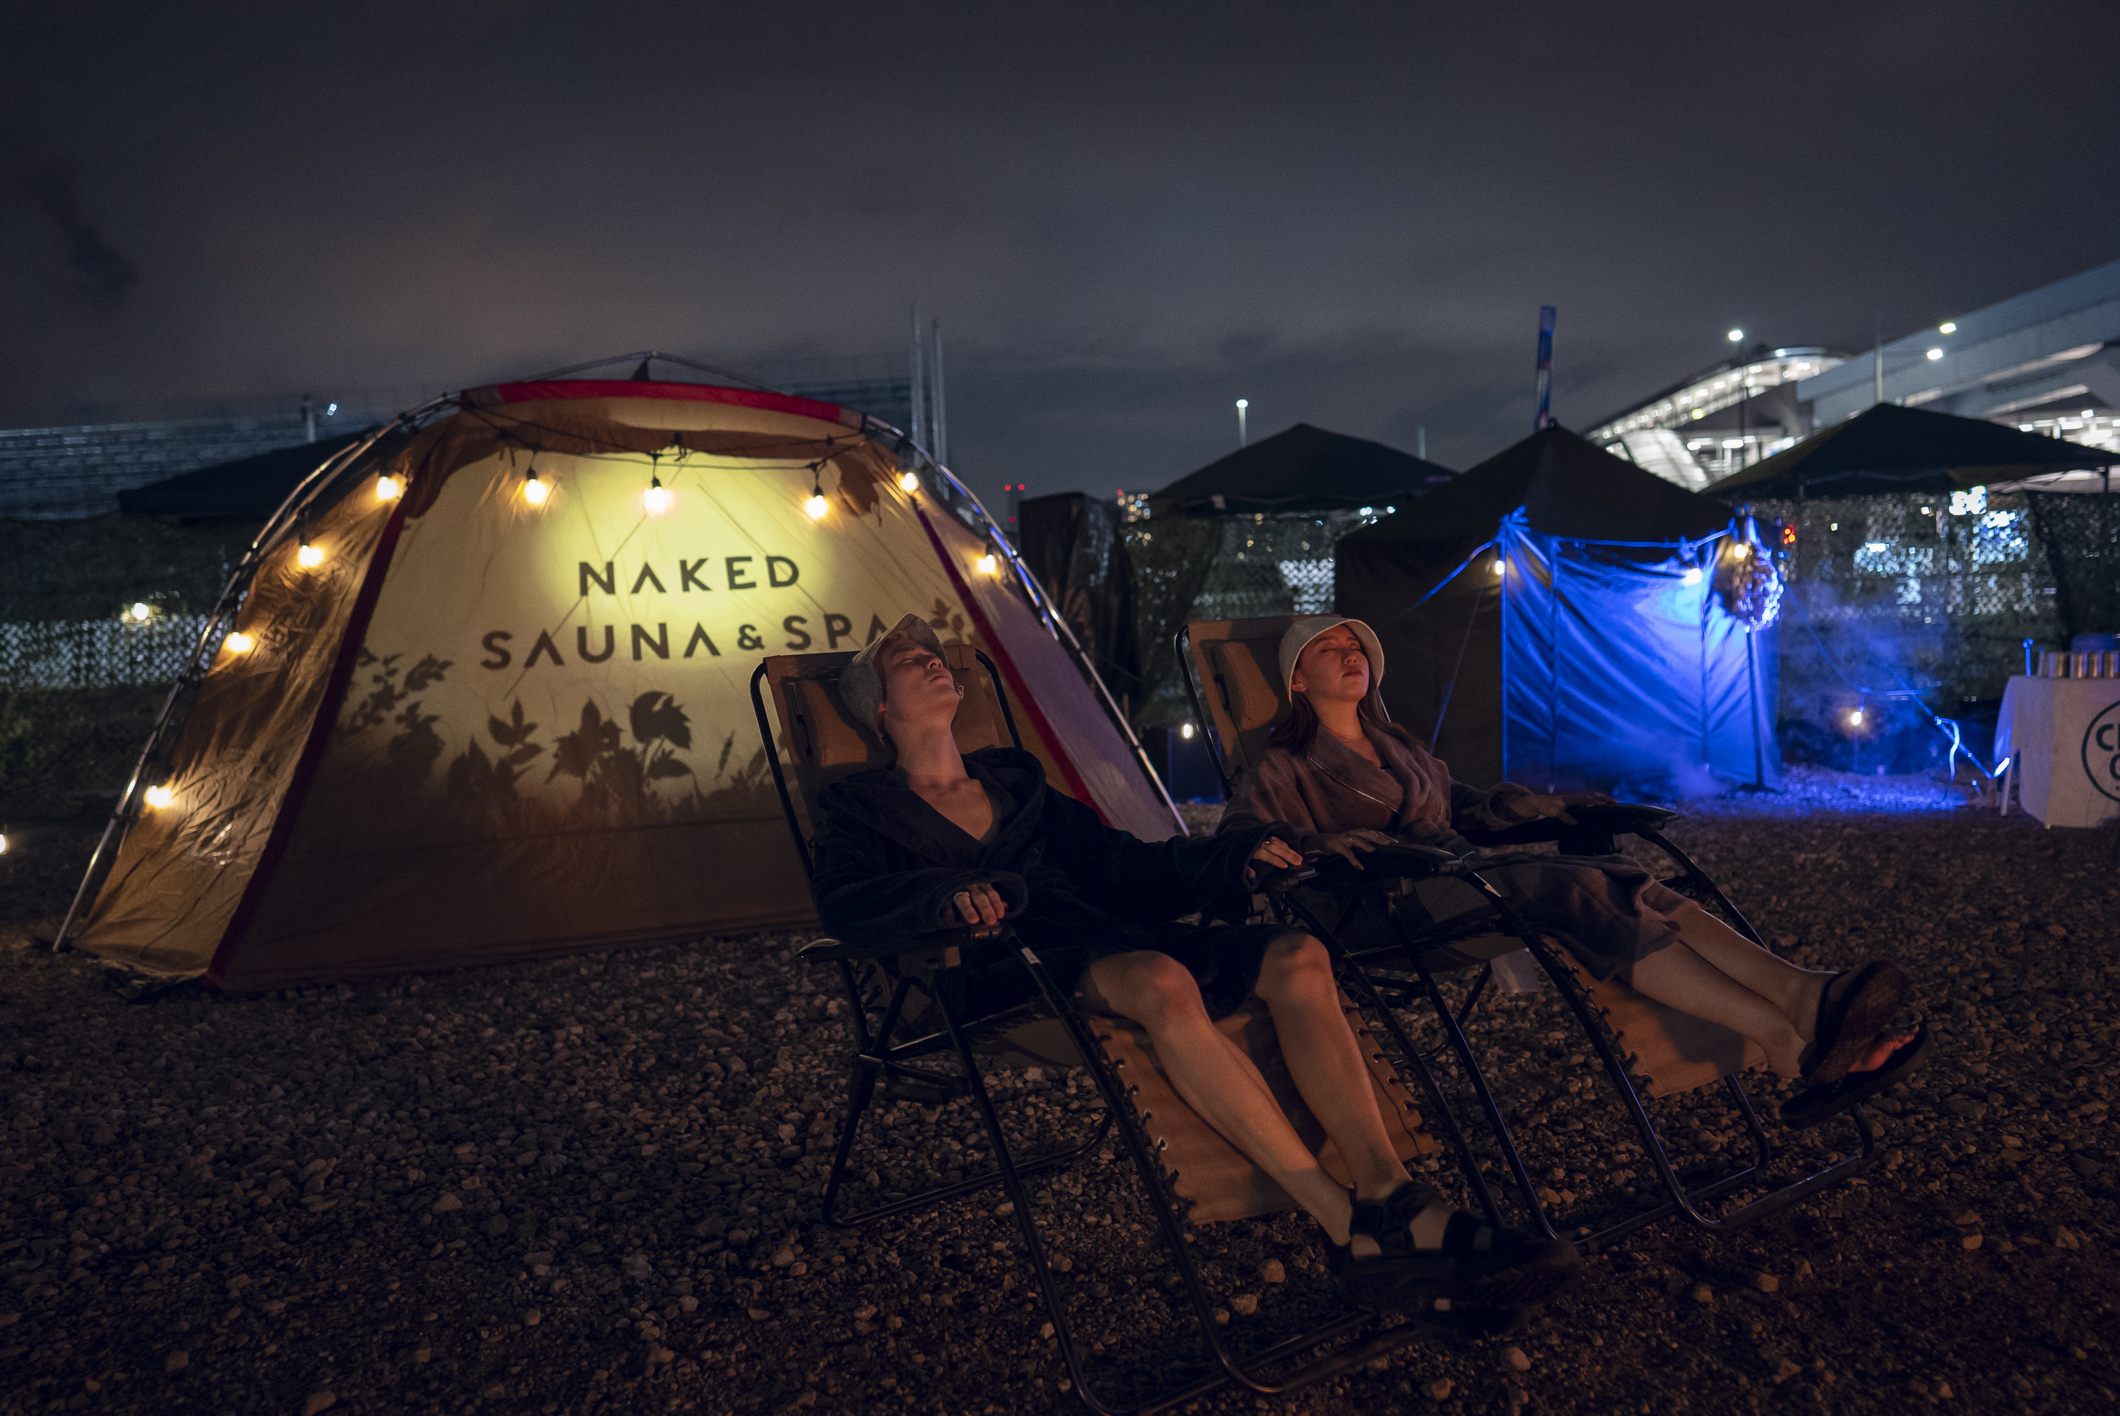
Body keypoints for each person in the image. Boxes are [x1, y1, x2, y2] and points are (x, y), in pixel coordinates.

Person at [809, 614, 1580, 1317]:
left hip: (1101, 938)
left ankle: (1391, 1195)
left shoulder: (1018, 784)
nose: (936, 663)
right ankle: (1343, 1224)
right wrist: (946, 896)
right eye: (912, 660)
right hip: (992, 966)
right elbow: (845, 901)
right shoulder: (860, 808)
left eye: (936, 654)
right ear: (880, 706)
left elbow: (1126, 865)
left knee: (1299, 955)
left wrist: (1232, 855)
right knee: (1161, 978)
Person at [1218, 616, 1931, 1126]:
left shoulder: (1397, 744)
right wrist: (1311, 847)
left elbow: (1460, 805)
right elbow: (1247, 835)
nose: (1350, 655)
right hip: (1383, 912)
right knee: (1569, 884)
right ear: (1296, 678)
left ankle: (1805, 1000)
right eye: (1328, 648)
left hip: (1458, 884)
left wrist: (1533, 807)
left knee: (1621, 875)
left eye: (1356, 645)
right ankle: (1787, 1038)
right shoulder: (1285, 766)